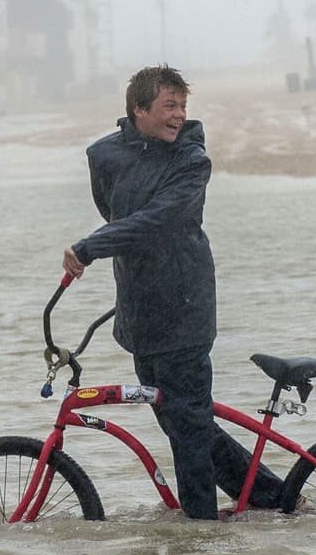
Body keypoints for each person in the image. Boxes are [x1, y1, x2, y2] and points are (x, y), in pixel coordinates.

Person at [62, 65, 284, 518]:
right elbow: (116, 214)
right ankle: (276, 499)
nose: (179, 115)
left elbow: (154, 221)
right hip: (140, 313)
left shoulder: (191, 161)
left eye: (183, 106)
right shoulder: (103, 156)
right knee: (185, 423)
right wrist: (117, 249)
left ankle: (199, 534)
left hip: (185, 311)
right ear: (138, 109)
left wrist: (91, 248)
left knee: (187, 430)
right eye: (169, 106)